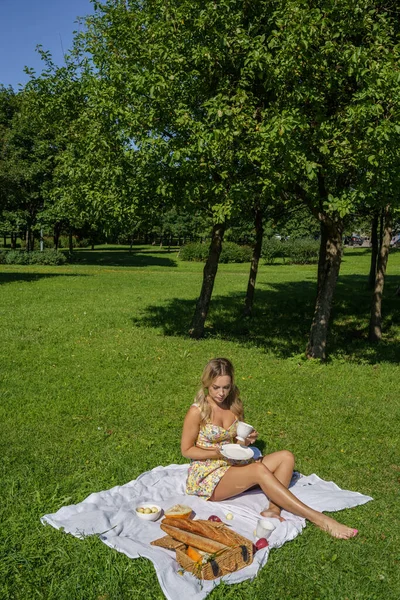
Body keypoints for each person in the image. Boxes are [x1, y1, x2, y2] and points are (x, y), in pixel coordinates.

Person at [181, 357, 358, 539]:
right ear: (207, 384)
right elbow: (186, 450)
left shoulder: (234, 406)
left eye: (226, 387)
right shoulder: (198, 411)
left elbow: (236, 444)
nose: (221, 393)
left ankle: (273, 509)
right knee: (258, 469)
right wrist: (216, 452)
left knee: (286, 457)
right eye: (215, 387)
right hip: (209, 475)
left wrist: (246, 441)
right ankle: (319, 518)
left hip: (233, 464)